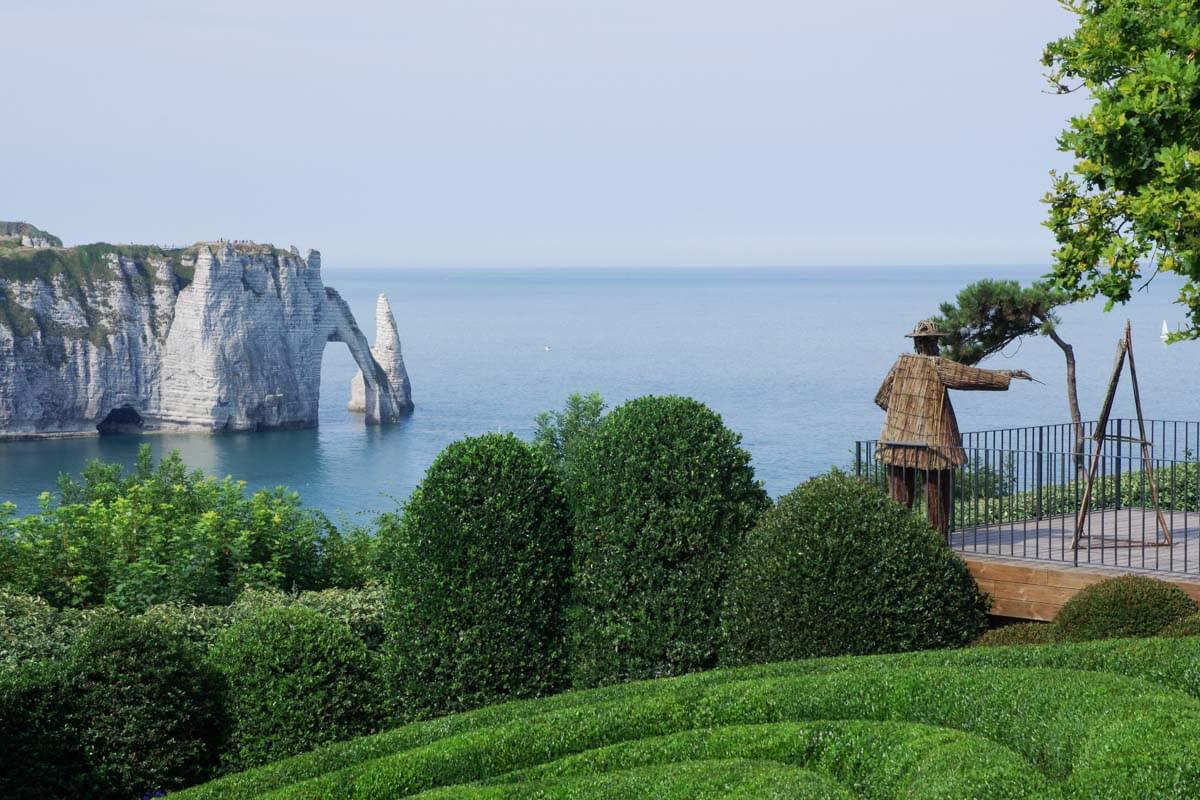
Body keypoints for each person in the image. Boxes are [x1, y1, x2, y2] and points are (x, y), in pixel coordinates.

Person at [874, 319, 1032, 538]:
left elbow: (882, 397)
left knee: (899, 500)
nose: (935, 345)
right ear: (930, 343)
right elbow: (970, 377)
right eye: (934, 341)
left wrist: (903, 416)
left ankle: (898, 541)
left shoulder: (900, 364)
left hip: (896, 441)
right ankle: (937, 542)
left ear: (916, 343)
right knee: (936, 496)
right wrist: (1007, 375)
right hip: (934, 445)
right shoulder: (937, 365)